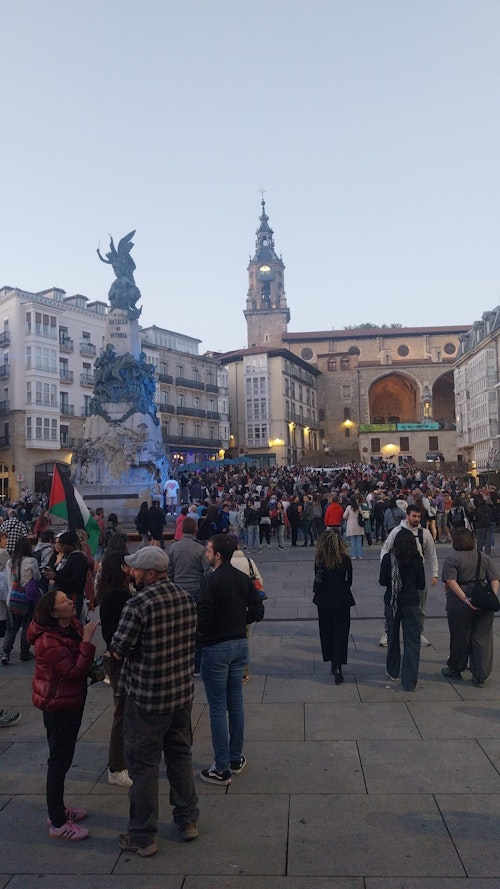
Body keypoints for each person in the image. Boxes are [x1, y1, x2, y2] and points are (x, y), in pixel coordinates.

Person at [110, 547, 199, 855]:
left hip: (147, 698)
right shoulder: (186, 598)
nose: (131, 573)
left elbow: (119, 648)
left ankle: (142, 835)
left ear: (149, 574)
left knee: (144, 766)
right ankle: (188, 820)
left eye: (135, 569)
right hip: (181, 694)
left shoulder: (139, 603)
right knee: (180, 756)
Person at [26, 589, 98, 840]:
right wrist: (87, 642)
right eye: (63, 601)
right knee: (58, 762)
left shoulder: (71, 625)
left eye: (68, 597)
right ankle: (57, 822)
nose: (70, 601)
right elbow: (75, 670)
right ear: (53, 612)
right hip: (57, 705)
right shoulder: (48, 640)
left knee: (63, 758)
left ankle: (58, 809)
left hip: (70, 701)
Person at [198, 534, 264, 785]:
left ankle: (221, 767)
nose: (206, 554)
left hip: (216, 646)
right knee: (235, 702)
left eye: (208, 551)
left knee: (217, 707)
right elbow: (258, 611)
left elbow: (203, 618)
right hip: (239, 645)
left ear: (217, 556)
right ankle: (235, 758)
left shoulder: (210, 581)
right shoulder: (242, 578)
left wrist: (201, 636)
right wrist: (240, 622)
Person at [441, 528, 499, 687]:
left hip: (459, 603)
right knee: (483, 638)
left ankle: (456, 668)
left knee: (460, 636)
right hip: (482, 600)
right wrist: (491, 595)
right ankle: (480, 674)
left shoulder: (452, 558)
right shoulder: (483, 557)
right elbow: (495, 579)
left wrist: (466, 599)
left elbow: (451, 582)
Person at [96, 551, 133, 787]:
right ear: (121, 568)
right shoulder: (119, 594)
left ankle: (122, 760)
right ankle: (117, 766)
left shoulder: (109, 592)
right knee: (123, 712)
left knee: (125, 710)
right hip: (121, 658)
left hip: (116, 654)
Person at [381, 506, 438, 648]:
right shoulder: (396, 531)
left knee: (420, 607)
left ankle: (418, 632)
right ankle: (388, 633)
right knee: (391, 607)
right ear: (407, 516)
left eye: (419, 517)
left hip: (417, 574)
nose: (416, 519)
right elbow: (385, 549)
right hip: (397, 575)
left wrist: (434, 573)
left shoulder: (424, 533)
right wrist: (385, 567)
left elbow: (432, 554)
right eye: (414, 516)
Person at [379, 529, 425, 691]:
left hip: (392, 602)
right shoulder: (417, 559)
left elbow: (382, 581)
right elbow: (421, 585)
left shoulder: (388, 558)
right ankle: (410, 680)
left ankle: (393, 671)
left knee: (392, 637)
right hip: (411, 603)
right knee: (412, 642)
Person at [167, 516, 211, 675]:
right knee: (197, 628)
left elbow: (169, 572)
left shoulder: (173, 548)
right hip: (196, 590)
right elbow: (207, 572)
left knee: (179, 628)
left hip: (178, 590)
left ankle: (181, 663)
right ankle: (197, 665)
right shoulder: (201, 549)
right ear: (196, 530)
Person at [313, 530, 354, 684]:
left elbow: (317, 578)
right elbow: (349, 581)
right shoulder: (345, 560)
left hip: (323, 600)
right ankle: (339, 665)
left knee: (327, 631)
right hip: (342, 600)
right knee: (341, 633)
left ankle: (331, 660)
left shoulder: (320, 559)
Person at [2, 538, 41, 665]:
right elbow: (37, 577)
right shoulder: (31, 561)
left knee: (11, 628)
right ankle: (24, 652)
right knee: (26, 626)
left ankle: (5, 653)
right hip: (26, 599)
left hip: (11, 599)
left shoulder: (9, 562)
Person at [43, 531, 89, 621]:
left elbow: (76, 582)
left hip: (73, 596)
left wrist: (56, 577)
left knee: (72, 621)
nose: (61, 547)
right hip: (63, 594)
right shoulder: (67, 556)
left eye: (63, 544)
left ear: (71, 545)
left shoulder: (78, 558)